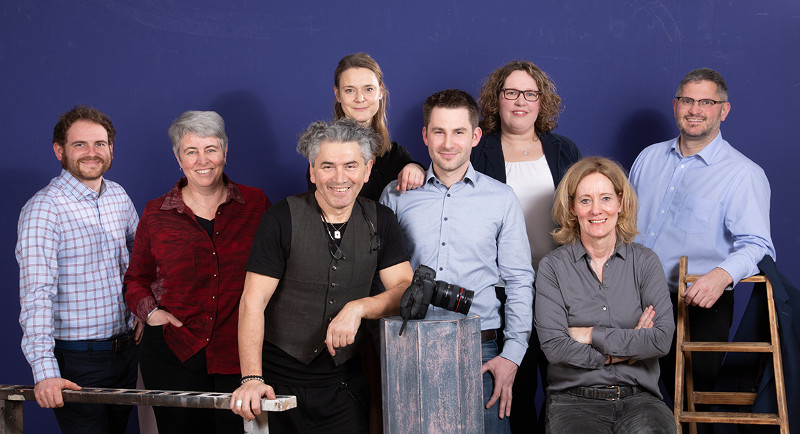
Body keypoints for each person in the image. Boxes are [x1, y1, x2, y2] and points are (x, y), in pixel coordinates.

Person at [230, 118, 414, 433]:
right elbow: (252, 302)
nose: (339, 177)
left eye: (350, 166)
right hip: (276, 387)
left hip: (344, 388)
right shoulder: (280, 218)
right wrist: (251, 379)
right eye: (327, 166)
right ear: (313, 172)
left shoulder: (381, 220)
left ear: (367, 170)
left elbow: (405, 289)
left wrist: (359, 308)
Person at [380, 89, 534, 434]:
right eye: (439, 131)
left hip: (481, 349)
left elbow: (520, 281)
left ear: (475, 136)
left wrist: (512, 355)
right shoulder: (396, 195)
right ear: (425, 135)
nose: (448, 143)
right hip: (410, 343)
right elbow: (378, 274)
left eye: (459, 132)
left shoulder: (501, 199)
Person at [629, 68, 775, 431]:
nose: (695, 110)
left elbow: (758, 245)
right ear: (675, 105)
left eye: (706, 102)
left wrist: (721, 276)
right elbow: (624, 223)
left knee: (695, 409)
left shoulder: (743, 174)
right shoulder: (648, 158)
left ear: (724, 110)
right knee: (631, 400)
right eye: (688, 101)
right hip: (632, 298)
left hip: (696, 303)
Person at [124, 110, 269, 433]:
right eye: (191, 151)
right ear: (178, 158)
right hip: (173, 355)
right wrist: (151, 314)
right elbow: (135, 279)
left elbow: (276, 270)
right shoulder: (156, 213)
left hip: (240, 355)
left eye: (211, 149)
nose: (202, 160)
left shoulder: (256, 204)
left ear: (225, 152)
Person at [470, 60, 581, 432]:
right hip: (502, 291)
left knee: (562, 386)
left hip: (559, 291)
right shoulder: (477, 151)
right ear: (497, 98)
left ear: (541, 100)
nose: (521, 101)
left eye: (530, 94)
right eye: (512, 92)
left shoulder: (564, 150)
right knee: (513, 390)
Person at [16, 105, 140, 434]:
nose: (91, 152)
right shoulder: (44, 209)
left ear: (111, 148)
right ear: (60, 151)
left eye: (100, 143)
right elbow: (36, 294)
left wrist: (144, 307)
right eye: (79, 144)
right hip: (77, 362)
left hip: (126, 353)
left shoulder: (118, 196)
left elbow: (142, 259)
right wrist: (45, 372)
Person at [534, 156, 676, 433]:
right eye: (585, 200)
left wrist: (590, 335)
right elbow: (555, 346)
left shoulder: (645, 262)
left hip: (640, 400)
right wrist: (626, 351)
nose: (596, 210)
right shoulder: (552, 267)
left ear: (620, 203)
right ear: (572, 207)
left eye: (606, 198)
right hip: (573, 401)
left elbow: (660, 340)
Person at [306, 52, 425, 200]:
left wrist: (416, 168)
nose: (360, 98)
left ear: (380, 92)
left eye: (368, 89)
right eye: (350, 90)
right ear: (338, 94)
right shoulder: (323, 152)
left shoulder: (394, 154)